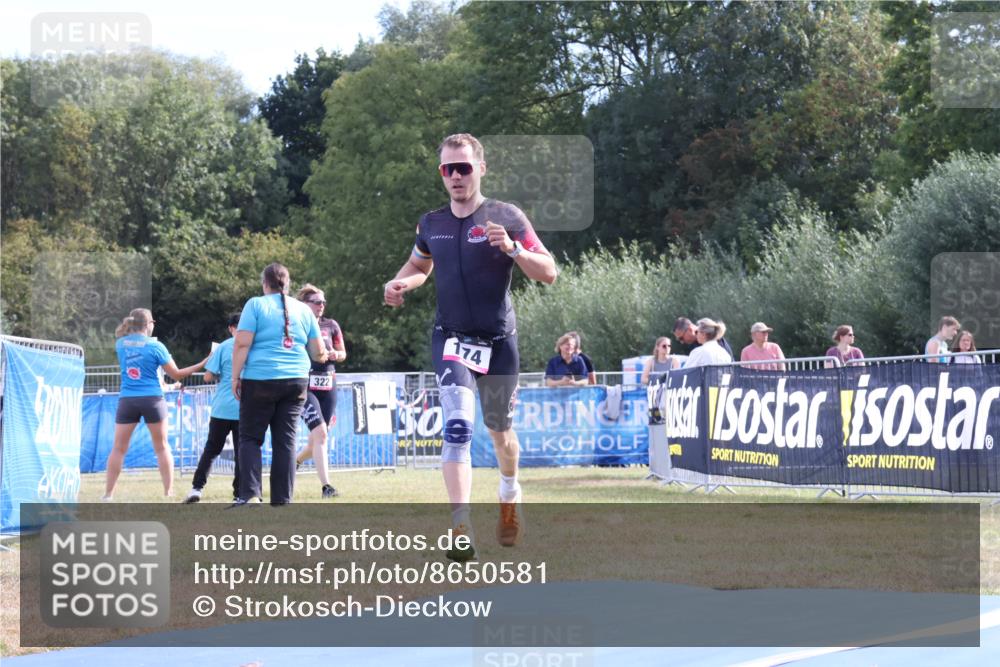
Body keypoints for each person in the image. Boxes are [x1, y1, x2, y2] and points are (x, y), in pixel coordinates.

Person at [383, 132, 557, 560]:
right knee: (457, 427)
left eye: (463, 167)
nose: (456, 176)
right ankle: (461, 527)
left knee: (501, 434)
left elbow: (549, 271)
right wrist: (402, 281)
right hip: (453, 337)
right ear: (441, 174)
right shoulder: (431, 223)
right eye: (448, 169)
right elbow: (420, 264)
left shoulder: (506, 216)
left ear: (481, 168)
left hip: (498, 342)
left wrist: (514, 248)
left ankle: (510, 492)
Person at [231, 263, 328, 507]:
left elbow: (242, 343)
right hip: (296, 380)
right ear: (288, 283)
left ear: (265, 283)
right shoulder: (304, 311)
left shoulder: (255, 305)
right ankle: (283, 499)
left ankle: (251, 494)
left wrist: (235, 377)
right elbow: (318, 353)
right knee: (286, 440)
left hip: (259, 379)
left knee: (251, 438)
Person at [104, 308, 207, 500]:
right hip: (152, 399)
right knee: (161, 446)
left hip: (127, 399)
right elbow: (176, 374)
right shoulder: (155, 346)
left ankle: (108, 494)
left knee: (118, 448)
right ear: (149, 324)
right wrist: (202, 362)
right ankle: (168, 492)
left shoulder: (120, 344)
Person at [293, 283, 347, 498]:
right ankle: (327, 487)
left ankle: (295, 461)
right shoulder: (297, 325)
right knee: (321, 434)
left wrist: (336, 355)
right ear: (305, 304)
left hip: (328, 384)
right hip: (307, 387)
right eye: (316, 302)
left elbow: (343, 353)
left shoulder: (331, 325)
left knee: (317, 439)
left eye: (323, 302)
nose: (321, 305)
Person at [183, 313, 242, 504]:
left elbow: (207, 377)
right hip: (245, 407)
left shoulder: (224, 347)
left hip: (222, 407)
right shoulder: (254, 347)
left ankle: (197, 488)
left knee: (212, 449)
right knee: (243, 453)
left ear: (230, 328)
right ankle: (239, 494)